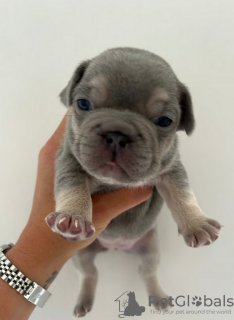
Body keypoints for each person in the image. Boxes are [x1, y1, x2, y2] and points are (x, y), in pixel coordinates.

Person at [0, 109, 152, 320]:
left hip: (136, 233)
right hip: (97, 238)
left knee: (149, 265)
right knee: (87, 263)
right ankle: (90, 278)